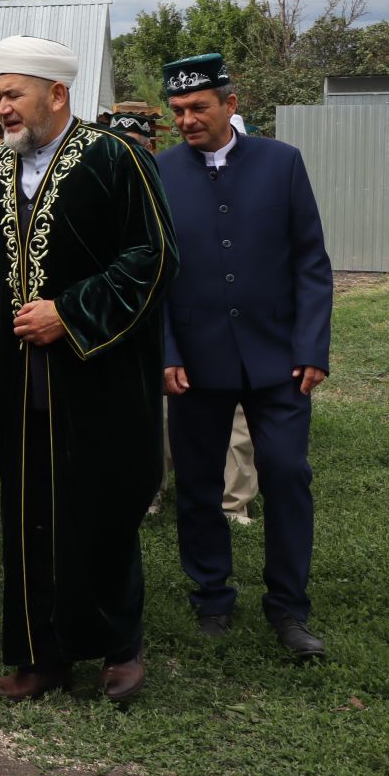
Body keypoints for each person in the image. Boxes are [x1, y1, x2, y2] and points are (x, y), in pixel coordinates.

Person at [0, 35, 176, 703]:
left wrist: (69, 314)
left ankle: (118, 648)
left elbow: (153, 257)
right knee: (28, 515)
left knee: (100, 511)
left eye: (13, 95)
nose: (3, 109)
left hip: (97, 379)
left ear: (57, 94)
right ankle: (40, 655)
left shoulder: (116, 160)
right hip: (17, 381)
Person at [157, 53, 332, 660]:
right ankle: (211, 597)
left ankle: (288, 608)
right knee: (200, 484)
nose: (186, 120)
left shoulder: (281, 163)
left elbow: (311, 260)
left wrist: (312, 347)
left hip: (278, 359)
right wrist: (167, 351)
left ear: (230, 105)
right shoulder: (160, 172)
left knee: (287, 475)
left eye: (198, 107)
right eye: (177, 110)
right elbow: (152, 273)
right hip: (196, 364)